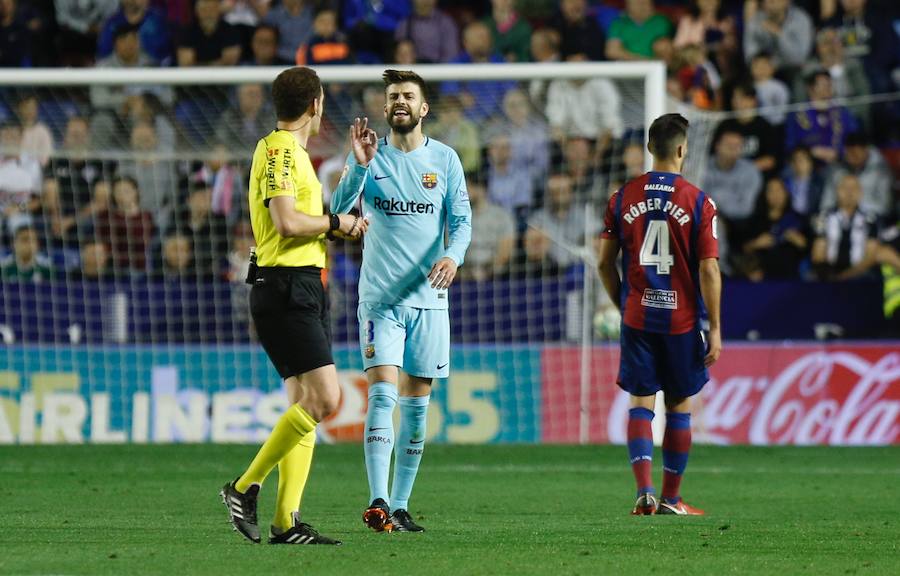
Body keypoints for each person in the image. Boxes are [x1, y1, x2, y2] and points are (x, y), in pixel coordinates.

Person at [220, 66, 364, 546]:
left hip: (300, 283)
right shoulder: (280, 149)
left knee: (305, 404)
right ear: (315, 105)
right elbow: (285, 221)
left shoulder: (294, 154)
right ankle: (243, 486)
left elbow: (305, 216)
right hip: (285, 286)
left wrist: (341, 207)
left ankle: (286, 522)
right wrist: (336, 222)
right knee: (327, 399)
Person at [331, 70, 472, 533]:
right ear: (385, 106)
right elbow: (339, 208)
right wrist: (357, 164)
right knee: (381, 394)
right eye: (393, 97)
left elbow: (462, 220)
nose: (400, 102)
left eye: (408, 96)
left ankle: (400, 503)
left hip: (429, 301)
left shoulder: (445, 159)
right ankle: (376, 501)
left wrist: (453, 256)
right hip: (380, 300)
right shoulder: (372, 157)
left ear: (423, 108)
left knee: (416, 408)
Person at [597, 113, 721, 516]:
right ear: (683, 149)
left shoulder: (622, 198)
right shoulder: (699, 201)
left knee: (641, 402)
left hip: (638, 318)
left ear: (650, 148)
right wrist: (715, 328)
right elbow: (708, 268)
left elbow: (603, 263)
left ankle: (644, 491)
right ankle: (671, 498)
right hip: (682, 322)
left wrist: (623, 305)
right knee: (679, 407)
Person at [811, 173, 878, 281]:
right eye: (845, 188)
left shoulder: (870, 219)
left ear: (860, 193)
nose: (849, 192)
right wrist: (831, 276)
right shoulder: (823, 217)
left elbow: (870, 256)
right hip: (829, 273)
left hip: (860, 275)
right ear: (837, 191)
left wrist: (846, 276)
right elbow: (818, 253)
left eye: (854, 188)